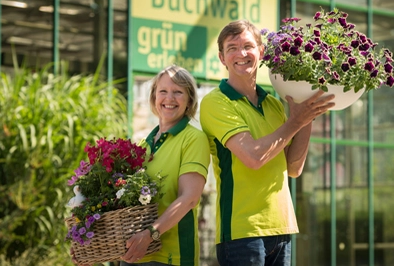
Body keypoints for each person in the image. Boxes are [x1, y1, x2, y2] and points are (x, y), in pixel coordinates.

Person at [199, 19, 335, 266]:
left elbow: (293, 167)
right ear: (222, 58)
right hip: (242, 232)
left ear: (261, 52)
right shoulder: (216, 102)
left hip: (282, 228)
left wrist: (309, 113)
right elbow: (253, 157)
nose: (241, 54)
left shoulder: (273, 104)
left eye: (248, 46)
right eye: (232, 48)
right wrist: (297, 120)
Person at [72, 65, 210, 266]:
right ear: (154, 97)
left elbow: (189, 198)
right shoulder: (142, 147)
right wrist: (89, 245)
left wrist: (151, 234)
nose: (169, 99)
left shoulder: (193, 139)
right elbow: (117, 204)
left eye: (178, 92)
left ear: (189, 100)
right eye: (163, 91)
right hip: (131, 255)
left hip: (170, 256)